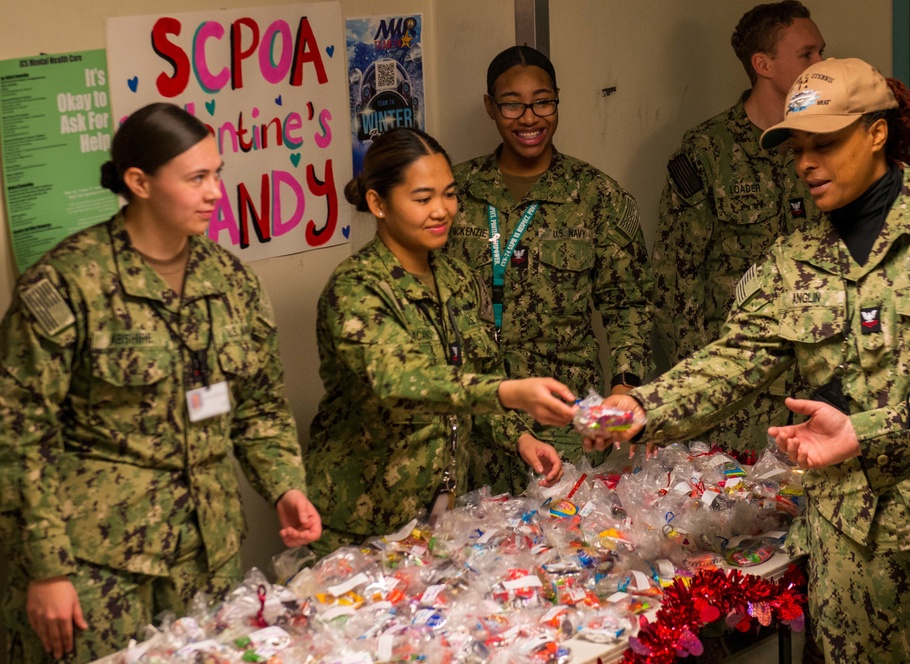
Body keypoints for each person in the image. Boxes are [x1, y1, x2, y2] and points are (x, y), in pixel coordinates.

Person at [593, 58, 910, 663]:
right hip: (846, 555)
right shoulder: (795, 259)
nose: (805, 163)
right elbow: (731, 360)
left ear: (877, 132)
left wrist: (869, 432)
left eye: (824, 143)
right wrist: (639, 406)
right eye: (798, 147)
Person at [0, 102, 322, 662]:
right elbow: (18, 435)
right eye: (197, 178)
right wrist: (46, 567)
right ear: (139, 182)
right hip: (97, 569)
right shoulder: (69, 284)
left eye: (217, 174)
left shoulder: (231, 283)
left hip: (209, 555)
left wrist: (285, 487)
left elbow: (259, 407)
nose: (215, 192)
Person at [307, 127, 575, 555]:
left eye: (449, 195)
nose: (442, 211)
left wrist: (520, 437)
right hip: (364, 528)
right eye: (422, 198)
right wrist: (511, 394)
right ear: (378, 203)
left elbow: (477, 375)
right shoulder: (357, 289)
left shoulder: (455, 277)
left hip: (439, 520)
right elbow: (401, 382)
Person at [443, 45, 653, 492]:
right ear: (490, 107)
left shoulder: (597, 196)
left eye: (542, 101)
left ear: (557, 101)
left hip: (565, 416)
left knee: (567, 548)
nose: (529, 117)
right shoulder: (454, 192)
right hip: (474, 416)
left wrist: (625, 384)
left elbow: (629, 303)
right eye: (512, 104)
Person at [652, 1, 826, 453]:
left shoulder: (827, 144)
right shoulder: (707, 152)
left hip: (821, 386)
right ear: (763, 65)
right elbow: (676, 284)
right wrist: (700, 398)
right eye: (807, 54)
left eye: (820, 52)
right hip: (741, 398)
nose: (820, 65)